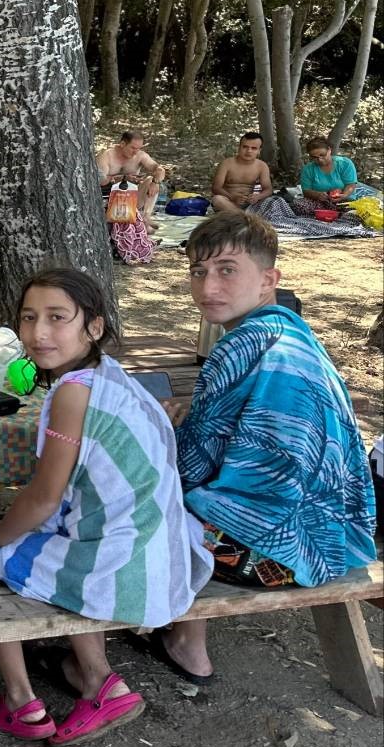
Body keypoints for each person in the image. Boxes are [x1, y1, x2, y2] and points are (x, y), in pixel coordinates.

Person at [0, 269, 212, 747]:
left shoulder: (73, 393)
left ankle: (23, 700)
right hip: (162, 548)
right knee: (49, 537)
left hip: (126, 563)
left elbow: (43, 497)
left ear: (93, 327)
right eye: (29, 318)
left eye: (58, 318)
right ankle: (98, 677)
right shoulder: (109, 376)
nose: (38, 333)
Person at [147, 214, 375, 683]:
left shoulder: (238, 347)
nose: (208, 285)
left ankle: (184, 643)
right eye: (198, 272)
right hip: (336, 535)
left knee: (142, 496)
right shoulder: (294, 334)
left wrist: (151, 432)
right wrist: (200, 406)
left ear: (269, 279)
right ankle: (186, 638)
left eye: (227, 269)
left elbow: (193, 465)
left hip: (275, 553)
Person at [95, 130, 168, 232]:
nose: (135, 152)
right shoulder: (106, 156)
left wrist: (155, 182)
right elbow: (99, 181)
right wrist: (122, 177)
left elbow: (160, 170)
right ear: (122, 144)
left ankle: (146, 217)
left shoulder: (140, 156)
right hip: (109, 200)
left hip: (130, 198)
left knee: (150, 180)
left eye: (138, 148)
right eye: (133, 148)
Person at [299, 136, 378, 204]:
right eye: (314, 157)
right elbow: (306, 191)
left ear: (329, 150)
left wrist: (344, 195)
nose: (320, 159)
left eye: (322, 155)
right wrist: (317, 195)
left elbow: (351, 184)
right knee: (299, 205)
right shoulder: (308, 169)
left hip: (345, 200)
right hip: (319, 202)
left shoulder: (344, 163)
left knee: (356, 212)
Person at [209, 132, 273, 214]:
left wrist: (257, 197)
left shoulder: (262, 166)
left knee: (274, 201)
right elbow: (216, 188)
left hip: (250, 204)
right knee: (217, 199)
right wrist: (232, 197)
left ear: (259, 151)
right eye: (245, 147)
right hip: (228, 202)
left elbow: (268, 189)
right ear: (239, 147)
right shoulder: (227, 163)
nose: (249, 151)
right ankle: (245, 217)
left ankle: (243, 217)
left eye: (253, 148)